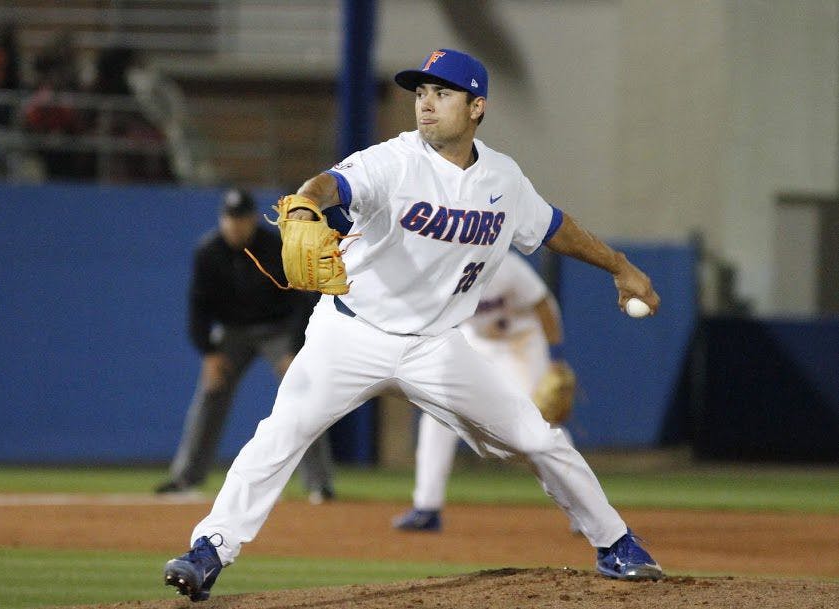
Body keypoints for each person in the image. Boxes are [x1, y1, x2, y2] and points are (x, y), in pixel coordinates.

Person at [163, 48, 663, 602]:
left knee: (537, 439)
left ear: (477, 108)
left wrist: (621, 266)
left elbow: (552, 227)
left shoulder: (503, 178)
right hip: (351, 334)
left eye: (442, 93)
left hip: (437, 347)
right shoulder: (392, 161)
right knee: (282, 432)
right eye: (420, 92)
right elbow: (327, 185)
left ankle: (615, 542)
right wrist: (306, 207)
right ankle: (209, 549)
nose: (425, 103)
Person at [155, 187, 336, 505]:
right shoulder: (208, 252)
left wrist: (294, 349)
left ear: (253, 219)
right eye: (229, 218)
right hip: (232, 332)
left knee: (302, 394)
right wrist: (208, 353)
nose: (234, 225)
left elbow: (302, 300)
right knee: (211, 392)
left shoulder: (275, 246)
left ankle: (318, 483)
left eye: (240, 218)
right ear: (222, 219)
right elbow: (198, 307)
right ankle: (186, 476)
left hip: (278, 330)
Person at [392, 250, 578, 532]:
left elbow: (543, 305)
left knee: (538, 424)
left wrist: (556, 357)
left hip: (520, 342)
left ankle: (581, 511)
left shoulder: (507, 267)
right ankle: (426, 508)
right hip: (476, 341)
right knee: (438, 416)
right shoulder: (443, 267)